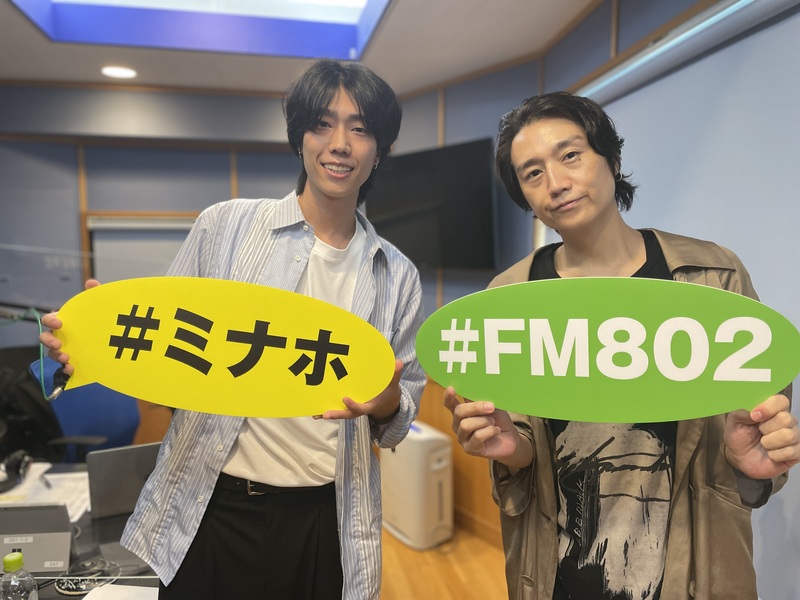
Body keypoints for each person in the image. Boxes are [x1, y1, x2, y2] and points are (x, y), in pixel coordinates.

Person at [40, 59, 426, 600]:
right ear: (300, 138)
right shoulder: (224, 226)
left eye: (360, 128)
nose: (339, 144)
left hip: (324, 516)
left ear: (379, 150)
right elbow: (166, 359)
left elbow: (397, 421)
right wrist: (95, 338)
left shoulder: (398, 275)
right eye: (322, 124)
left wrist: (385, 404)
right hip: (209, 506)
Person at [443, 91, 800, 600]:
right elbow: (522, 446)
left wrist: (748, 468)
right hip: (557, 580)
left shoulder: (713, 278)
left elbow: (754, 438)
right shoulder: (508, 300)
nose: (556, 183)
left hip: (693, 579)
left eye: (570, 155)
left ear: (611, 160)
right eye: (532, 173)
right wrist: (511, 450)